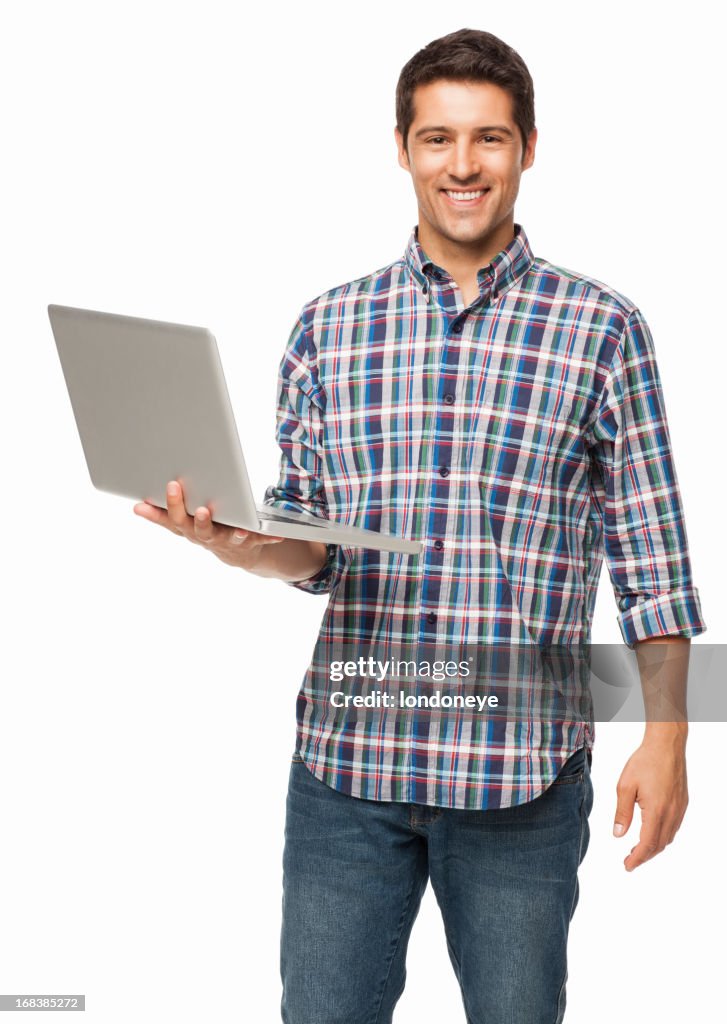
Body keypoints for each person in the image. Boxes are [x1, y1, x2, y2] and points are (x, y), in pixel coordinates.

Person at [133, 28, 707, 1024]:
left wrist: (665, 737)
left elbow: (649, 554)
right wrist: (232, 540)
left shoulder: (602, 329)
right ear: (400, 148)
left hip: (517, 776)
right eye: (437, 138)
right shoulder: (327, 326)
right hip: (346, 769)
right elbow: (310, 546)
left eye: (488, 138)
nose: (462, 164)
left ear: (529, 148)